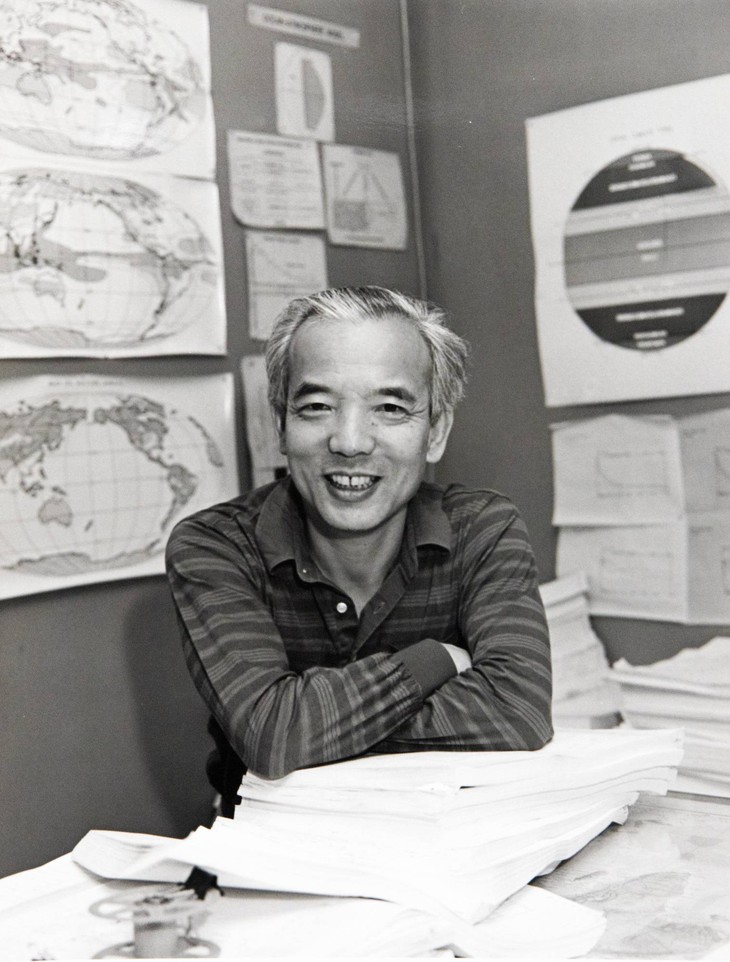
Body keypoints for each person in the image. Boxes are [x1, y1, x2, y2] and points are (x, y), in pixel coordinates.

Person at [165, 286, 552, 805]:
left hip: (445, 829)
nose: (349, 441)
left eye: (389, 408)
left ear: (436, 431)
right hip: (271, 837)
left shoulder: (482, 529)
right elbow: (271, 735)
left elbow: (519, 710)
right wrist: (433, 660)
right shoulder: (216, 547)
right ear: (280, 424)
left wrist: (307, 728)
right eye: (317, 406)